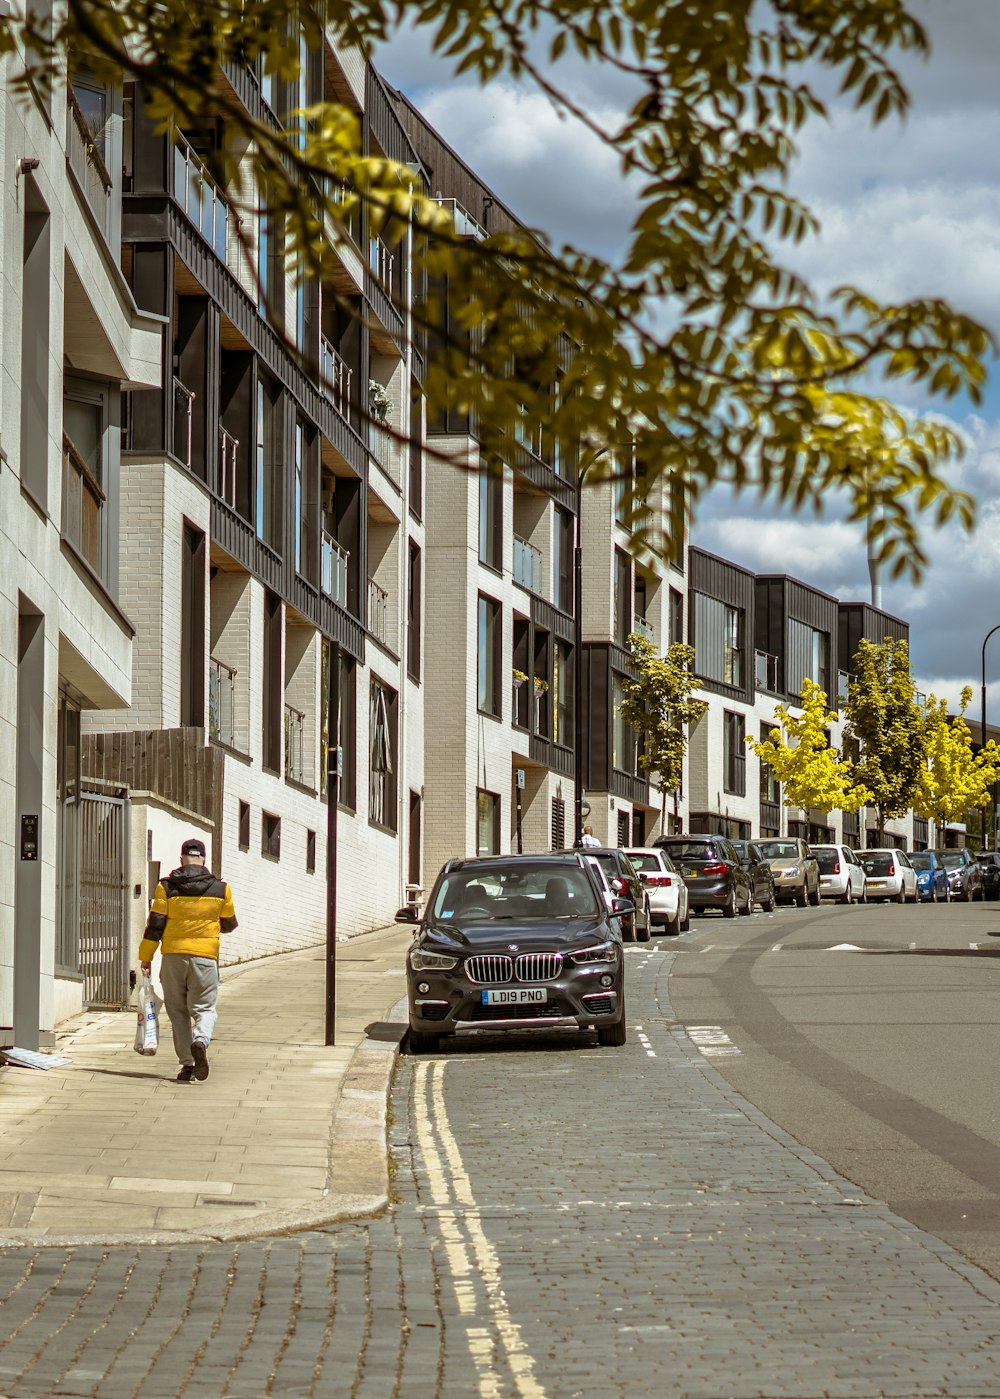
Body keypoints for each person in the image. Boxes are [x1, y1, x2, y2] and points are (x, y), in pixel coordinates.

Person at [139, 838, 238, 1083]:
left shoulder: (166, 887)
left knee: (178, 1012)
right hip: (205, 957)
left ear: (182, 859)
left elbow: (155, 925)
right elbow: (230, 923)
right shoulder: (220, 888)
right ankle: (201, 1041)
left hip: (173, 957)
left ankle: (187, 1066)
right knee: (204, 1009)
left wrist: (146, 956)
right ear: (204, 859)